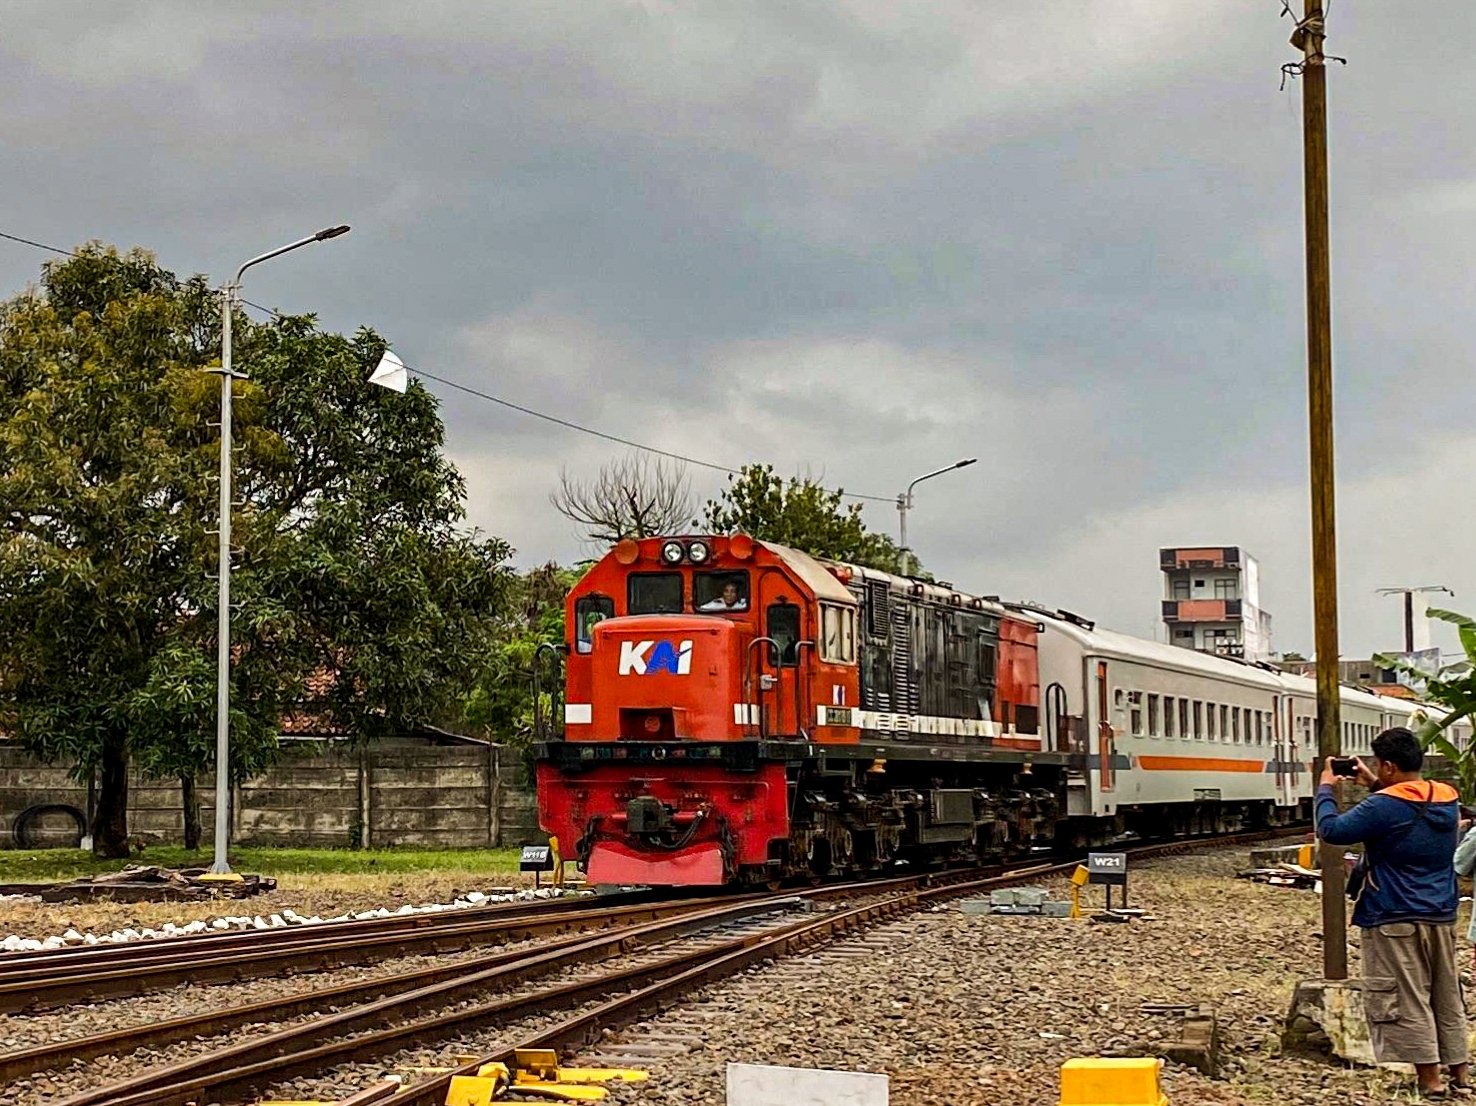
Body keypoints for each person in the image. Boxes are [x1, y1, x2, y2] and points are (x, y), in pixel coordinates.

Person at [1316, 728, 1468, 1099]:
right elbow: (1403, 812)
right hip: (1442, 912)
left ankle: (1429, 1080)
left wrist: (1325, 787)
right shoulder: (1446, 798)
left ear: (1387, 764)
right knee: (1447, 994)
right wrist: (1375, 783)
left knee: (1407, 995)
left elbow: (1331, 830)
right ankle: (1460, 1073)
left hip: (1394, 913)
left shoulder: (1383, 806)